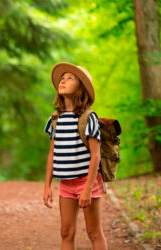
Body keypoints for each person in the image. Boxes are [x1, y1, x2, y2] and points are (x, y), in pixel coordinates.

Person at [43, 62, 108, 250]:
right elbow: (52, 154)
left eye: (70, 78)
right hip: (66, 184)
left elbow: (95, 157)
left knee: (93, 232)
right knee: (66, 232)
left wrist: (87, 189)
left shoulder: (88, 118)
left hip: (88, 182)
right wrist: (47, 185)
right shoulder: (55, 119)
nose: (63, 81)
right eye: (62, 78)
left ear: (81, 88)